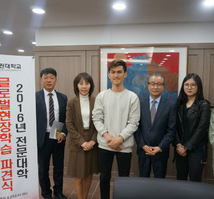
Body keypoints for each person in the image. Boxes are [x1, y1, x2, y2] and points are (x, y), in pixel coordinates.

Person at [92, 59, 140, 199]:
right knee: (104, 177)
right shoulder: (102, 96)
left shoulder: (132, 97)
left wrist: (119, 140)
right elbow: (97, 118)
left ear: (125, 74)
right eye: (113, 72)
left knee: (124, 179)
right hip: (104, 144)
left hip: (124, 146)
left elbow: (134, 122)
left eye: (119, 72)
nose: (116, 75)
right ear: (109, 75)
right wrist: (108, 139)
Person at [134, 73, 176, 178]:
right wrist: (143, 145)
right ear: (148, 85)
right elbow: (136, 127)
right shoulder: (139, 104)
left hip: (161, 152)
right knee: (143, 181)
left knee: (160, 183)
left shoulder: (170, 105)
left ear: (163, 86)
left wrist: (160, 147)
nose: (155, 87)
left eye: (159, 84)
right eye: (152, 84)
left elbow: (171, 131)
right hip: (143, 151)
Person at [36, 68, 68, 199]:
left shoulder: (62, 97)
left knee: (58, 167)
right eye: (45, 77)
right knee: (43, 168)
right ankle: (46, 193)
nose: (49, 80)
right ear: (41, 80)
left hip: (58, 135)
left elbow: (67, 118)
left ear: (56, 80)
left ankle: (58, 192)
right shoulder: (34, 97)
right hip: (42, 137)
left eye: (51, 77)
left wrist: (64, 133)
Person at [66, 72, 99, 199]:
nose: (84, 86)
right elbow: (69, 124)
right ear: (76, 86)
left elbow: (100, 123)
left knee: (89, 174)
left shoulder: (96, 101)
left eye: (87, 83)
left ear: (91, 85)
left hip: (92, 140)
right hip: (77, 142)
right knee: (79, 175)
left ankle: (85, 197)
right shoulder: (71, 102)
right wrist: (81, 142)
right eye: (81, 83)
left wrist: (92, 141)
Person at [173, 73, 211, 182]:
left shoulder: (204, 105)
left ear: (198, 87)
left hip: (197, 149)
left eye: (193, 85)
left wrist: (187, 147)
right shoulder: (179, 104)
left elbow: (201, 129)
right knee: (180, 179)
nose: (189, 88)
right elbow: (173, 126)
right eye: (186, 85)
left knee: (195, 180)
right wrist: (178, 144)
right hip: (179, 148)